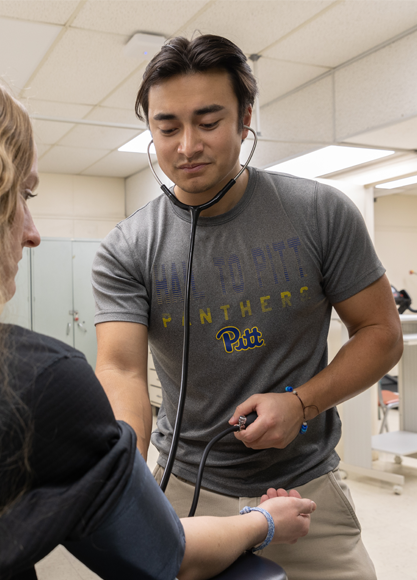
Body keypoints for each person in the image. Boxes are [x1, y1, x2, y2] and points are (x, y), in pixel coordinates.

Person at [0, 48, 316, 580]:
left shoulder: (316, 212)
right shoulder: (32, 383)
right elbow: (165, 552)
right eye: (21, 194)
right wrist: (263, 521)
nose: (32, 231)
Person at [92, 34, 403, 580]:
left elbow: (380, 331)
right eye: (167, 127)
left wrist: (303, 404)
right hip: (186, 490)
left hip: (306, 489)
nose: (187, 145)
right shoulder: (128, 247)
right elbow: (121, 368)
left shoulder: (320, 214)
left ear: (246, 118)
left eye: (208, 122)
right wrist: (128, 476)